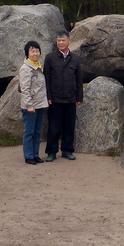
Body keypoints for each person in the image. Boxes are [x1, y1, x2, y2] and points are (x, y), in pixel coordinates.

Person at [43, 30, 83, 161]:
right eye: (58, 40)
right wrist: (48, 96)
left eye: (63, 40)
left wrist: (79, 97)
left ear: (69, 41)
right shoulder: (50, 58)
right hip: (55, 99)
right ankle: (51, 152)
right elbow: (46, 79)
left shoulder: (76, 59)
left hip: (71, 99)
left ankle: (67, 150)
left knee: (69, 126)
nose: (60, 43)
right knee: (54, 127)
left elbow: (79, 80)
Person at [18, 40, 49, 165]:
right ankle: (28, 156)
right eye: (32, 51)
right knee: (29, 131)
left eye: (37, 51)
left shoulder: (38, 66)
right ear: (27, 53)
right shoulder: (26, 68)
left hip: (40, 104)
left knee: (37, 132)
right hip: (30, 106)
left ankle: (35, 154)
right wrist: (29, 105)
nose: (35, 53)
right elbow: (24, 89)